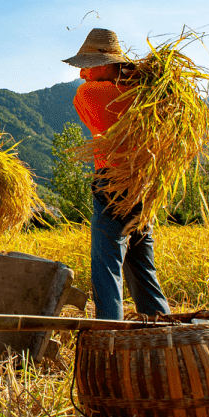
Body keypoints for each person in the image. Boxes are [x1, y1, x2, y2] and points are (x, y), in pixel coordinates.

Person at [64, 28, 170, 321]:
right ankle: (163, 330)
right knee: (142, 268)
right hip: (144, 186)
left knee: (106, 265)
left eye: (87, 65)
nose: (82, 73)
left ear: (109, 64)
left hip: (111, 183)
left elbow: (85, 114)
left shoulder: (91, 93)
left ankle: (111, 333)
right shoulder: (148, 98)